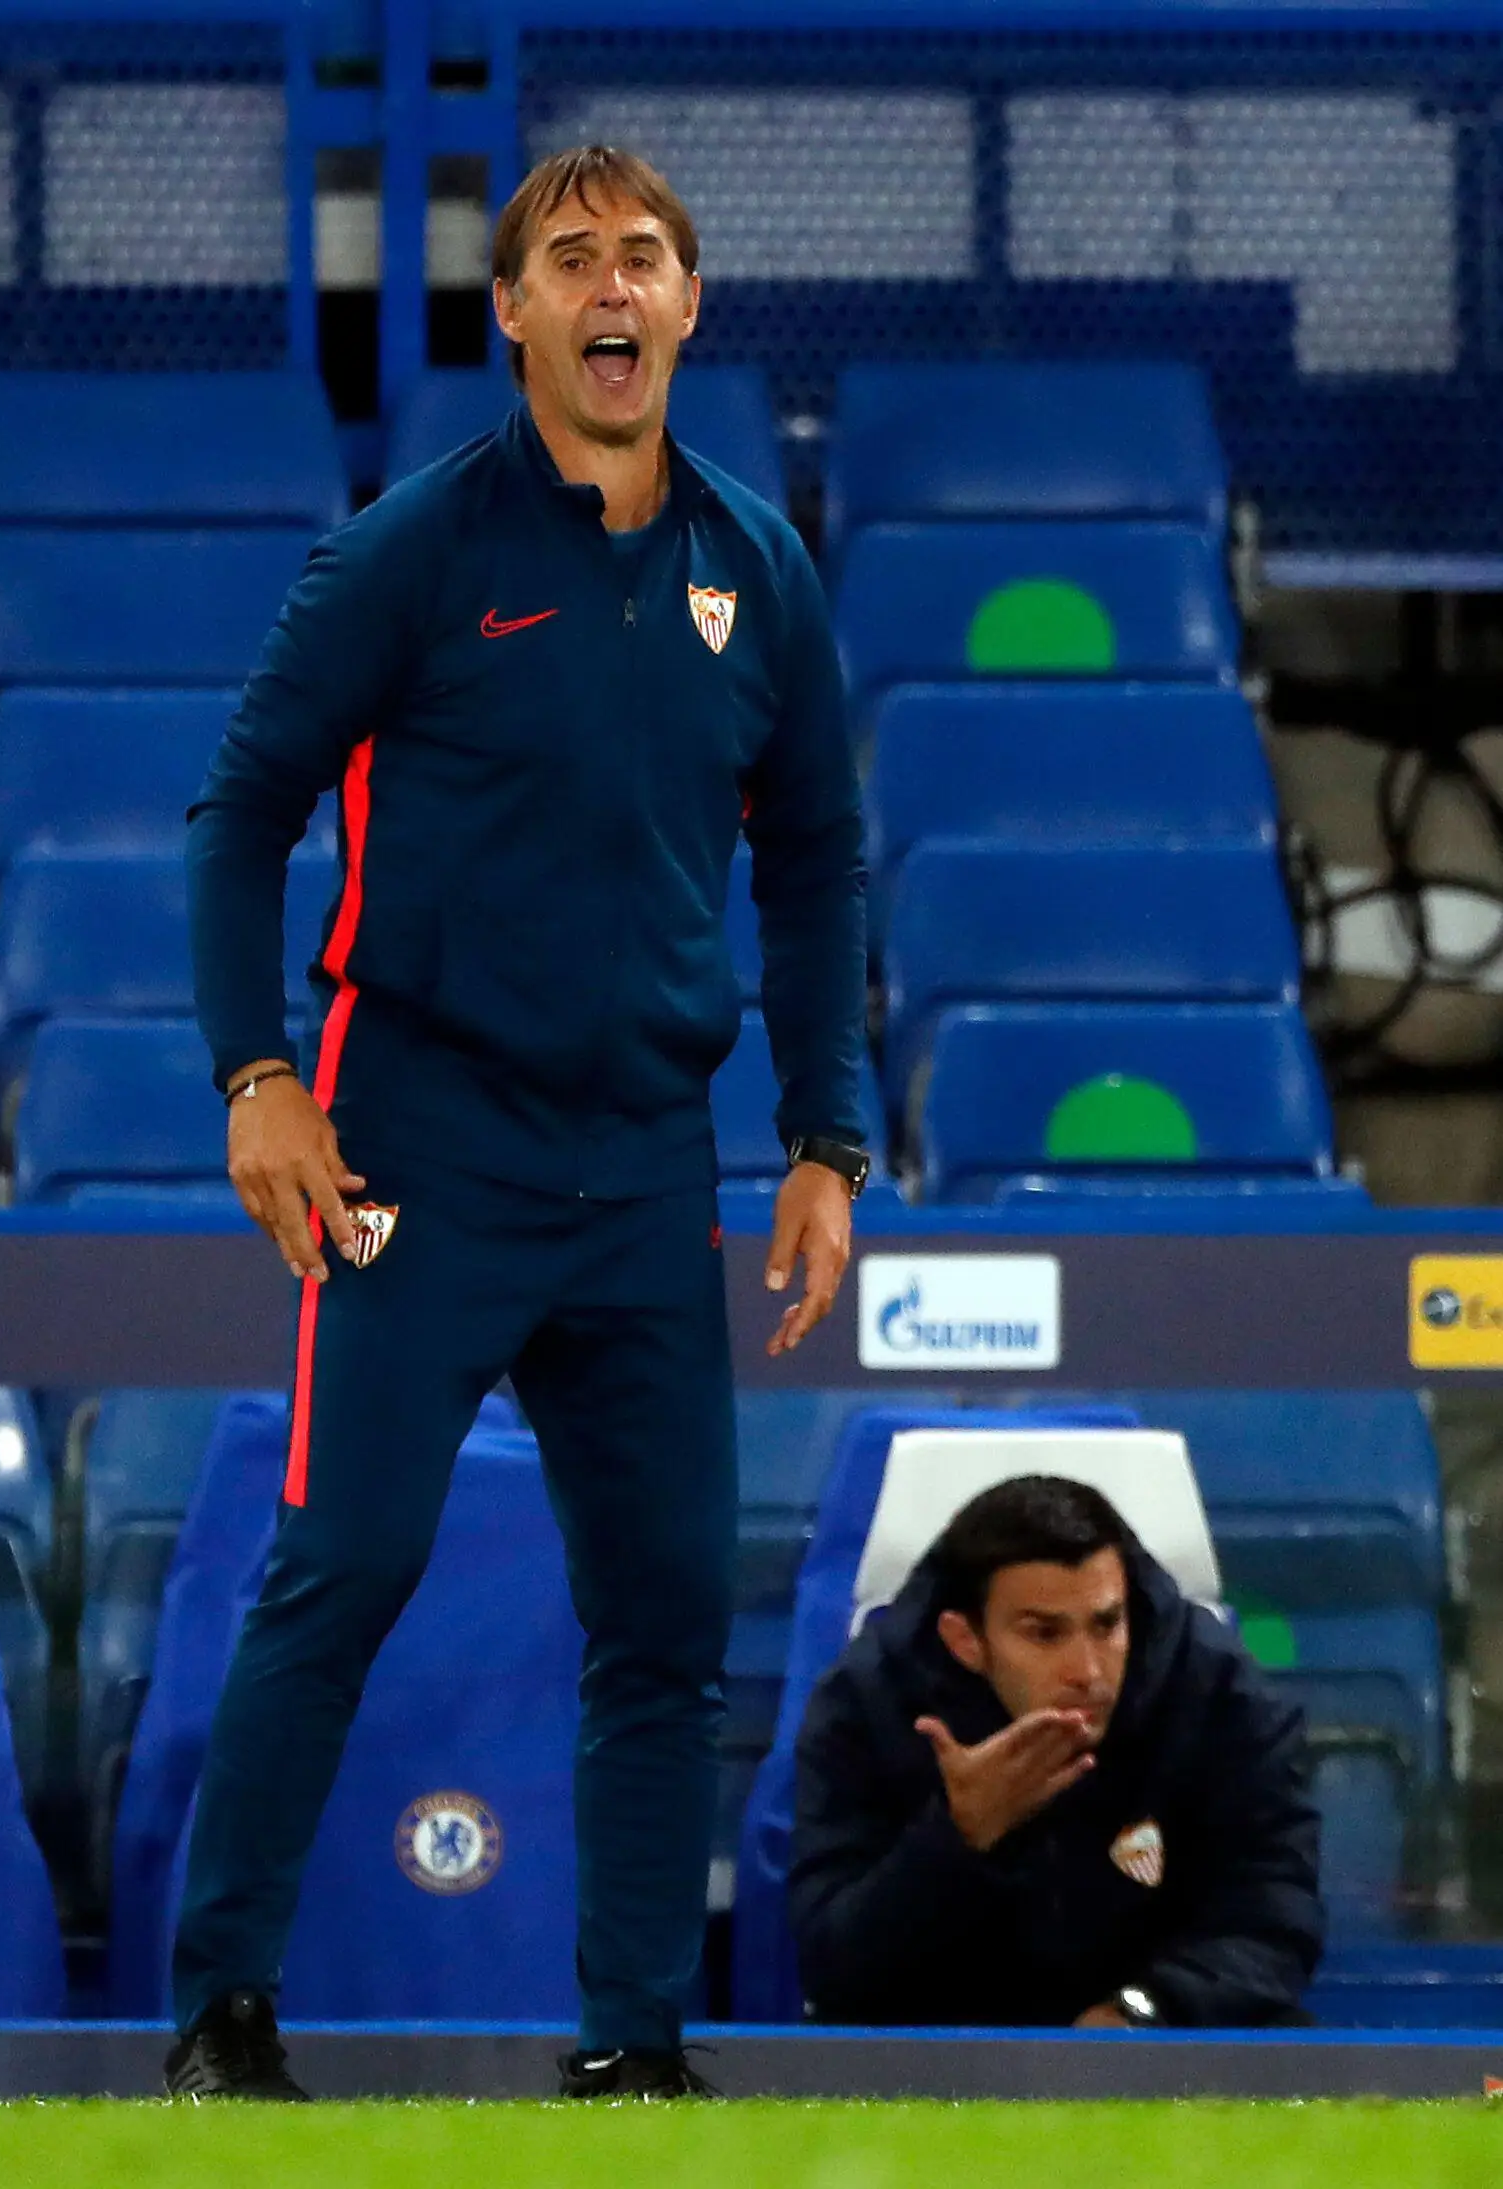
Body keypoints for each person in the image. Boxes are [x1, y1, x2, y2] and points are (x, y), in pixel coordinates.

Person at [165, 143, 870, 2103]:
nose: (611, 284)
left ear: (690, 305)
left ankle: (634, 2044)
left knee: (664, 1616)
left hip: (648, 1165)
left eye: (643, 255)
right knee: (343, 1564)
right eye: (571, 259)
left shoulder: (759, 568)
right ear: (518, 317)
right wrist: (255, 1076)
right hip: (420, 1147)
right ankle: (221, 2010)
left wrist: (825, 1135)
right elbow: (239, 812)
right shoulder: (410, 550)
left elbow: (816, 857)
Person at [789, 1475, 1324, 2029]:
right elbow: (833, 1968)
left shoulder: (1220, 1695)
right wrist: (954, 1839)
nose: (1087, 1672)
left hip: (1161, 2036)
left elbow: (1274, 1921)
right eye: (1045, 1634)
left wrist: (1144, 2009)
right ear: (966, 1641)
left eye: (1107, 1624)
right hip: (940, 2044)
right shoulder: (866, 1706)